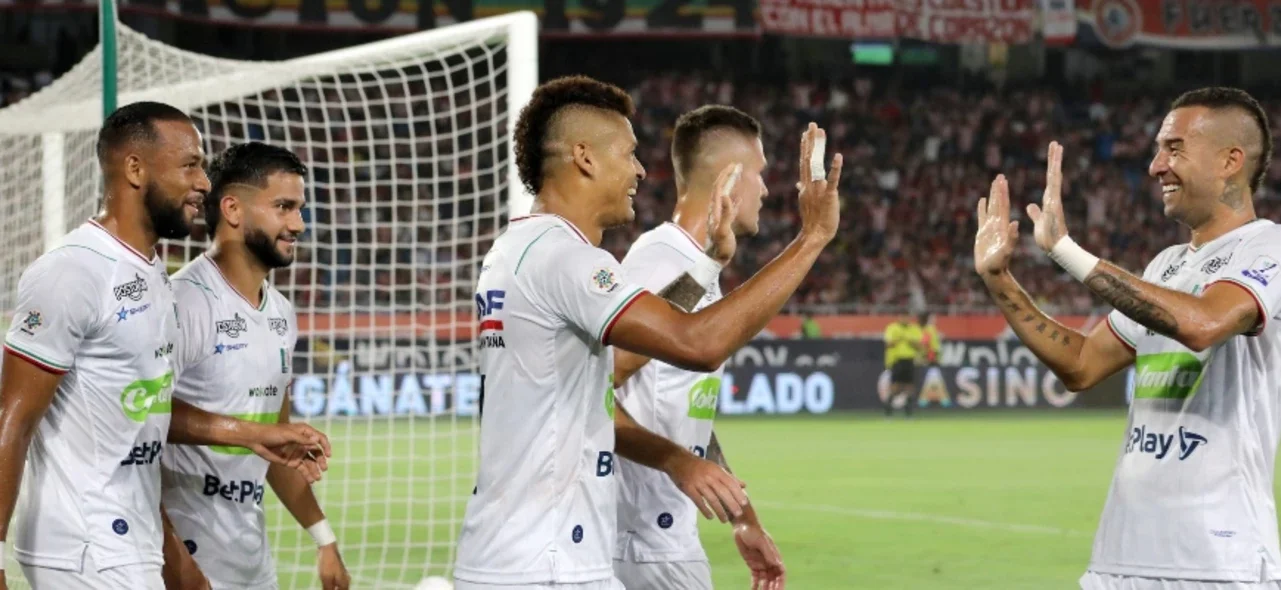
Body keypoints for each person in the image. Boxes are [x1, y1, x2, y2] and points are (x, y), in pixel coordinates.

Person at [454, 75, 842, 589]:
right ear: (585, 158)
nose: (639, 169)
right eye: (629, 153)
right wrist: (812, 238)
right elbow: (695, 345)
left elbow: (618, 377)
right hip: (550, 564)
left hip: (533, 555)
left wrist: (706, 267)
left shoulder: (520, 248)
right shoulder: (566, 257)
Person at [0, 102, 330, 590]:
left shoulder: (151, 272)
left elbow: (141, 408)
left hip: (131, 535)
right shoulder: (74, 271)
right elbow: (13, 418)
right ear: (135, 169)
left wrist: (250, 434)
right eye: (190, 164)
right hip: (81, 541)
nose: (203, 182)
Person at [973, 87, 1281, 590]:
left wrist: (1066, 251)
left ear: (1231, 161)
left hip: (1216, 563)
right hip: (1120, 557)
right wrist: (1000, 281)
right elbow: (1082, 364)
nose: (1157, 165)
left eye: (1174, 148)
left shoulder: (1269, 247)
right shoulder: (1167, 265)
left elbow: (1203, 324)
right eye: (1160, 149)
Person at [160, 142, 351, 590]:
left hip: (251, 563)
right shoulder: (182, 302)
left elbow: (275, 445)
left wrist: (324, 539)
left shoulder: (282, 313)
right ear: (232, 209)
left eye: (300, 209)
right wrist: (176, 564)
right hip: (182, 563)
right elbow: (142, 418)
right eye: (284, 207)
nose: (298, 224)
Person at [611, 106, 784, 590]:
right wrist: (678, 463)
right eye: (760, 174)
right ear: (729, 178)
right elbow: (605, 380)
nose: (767, 190)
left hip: (658, 540)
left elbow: (682, 412)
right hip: (647, 546)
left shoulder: (692, 266)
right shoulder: (662, 258)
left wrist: (742, 515)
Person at [882, 314, 922, 417]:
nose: (905, 319)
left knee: (910, 387)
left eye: (907, 316)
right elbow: (888, 344)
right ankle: (888, 409)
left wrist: (910, 341)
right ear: (899, 317)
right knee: (896, 387)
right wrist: (899, 339)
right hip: (897, 360)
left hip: (910, 360)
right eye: (903, 316)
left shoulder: (914, 329)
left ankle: (908, 411)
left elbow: (919, 346)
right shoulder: (892, 328)